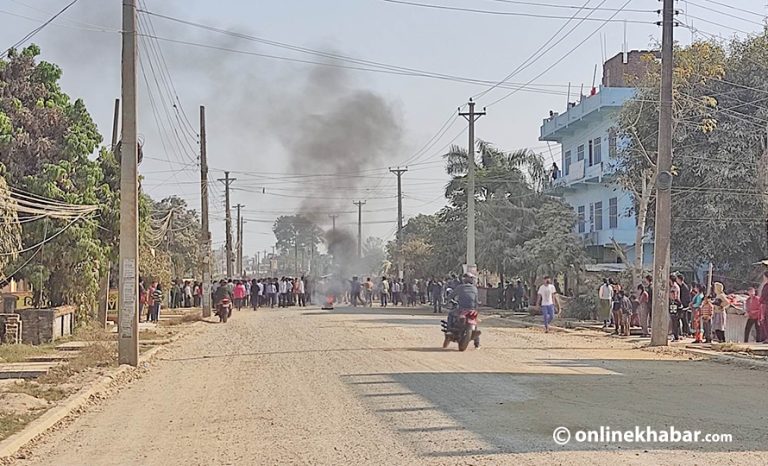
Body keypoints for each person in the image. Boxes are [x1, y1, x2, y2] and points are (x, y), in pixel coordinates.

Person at [448, 273, 481, 348]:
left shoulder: (460, 287)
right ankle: (477, 343)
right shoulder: (475, 288)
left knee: (450, 314)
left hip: (461, 309)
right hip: (472, 309)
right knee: (475, 323)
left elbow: (451, 296)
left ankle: (449, 330)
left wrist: (449, 300)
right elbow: (476, 301)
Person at [668, 275, 682, 341]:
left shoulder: (675, 287)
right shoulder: (672, 286)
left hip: (675, 304)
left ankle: (676, 335)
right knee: (673, 320)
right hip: (673, 304)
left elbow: (674, 296)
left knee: (675, 320)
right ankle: (674, 334)